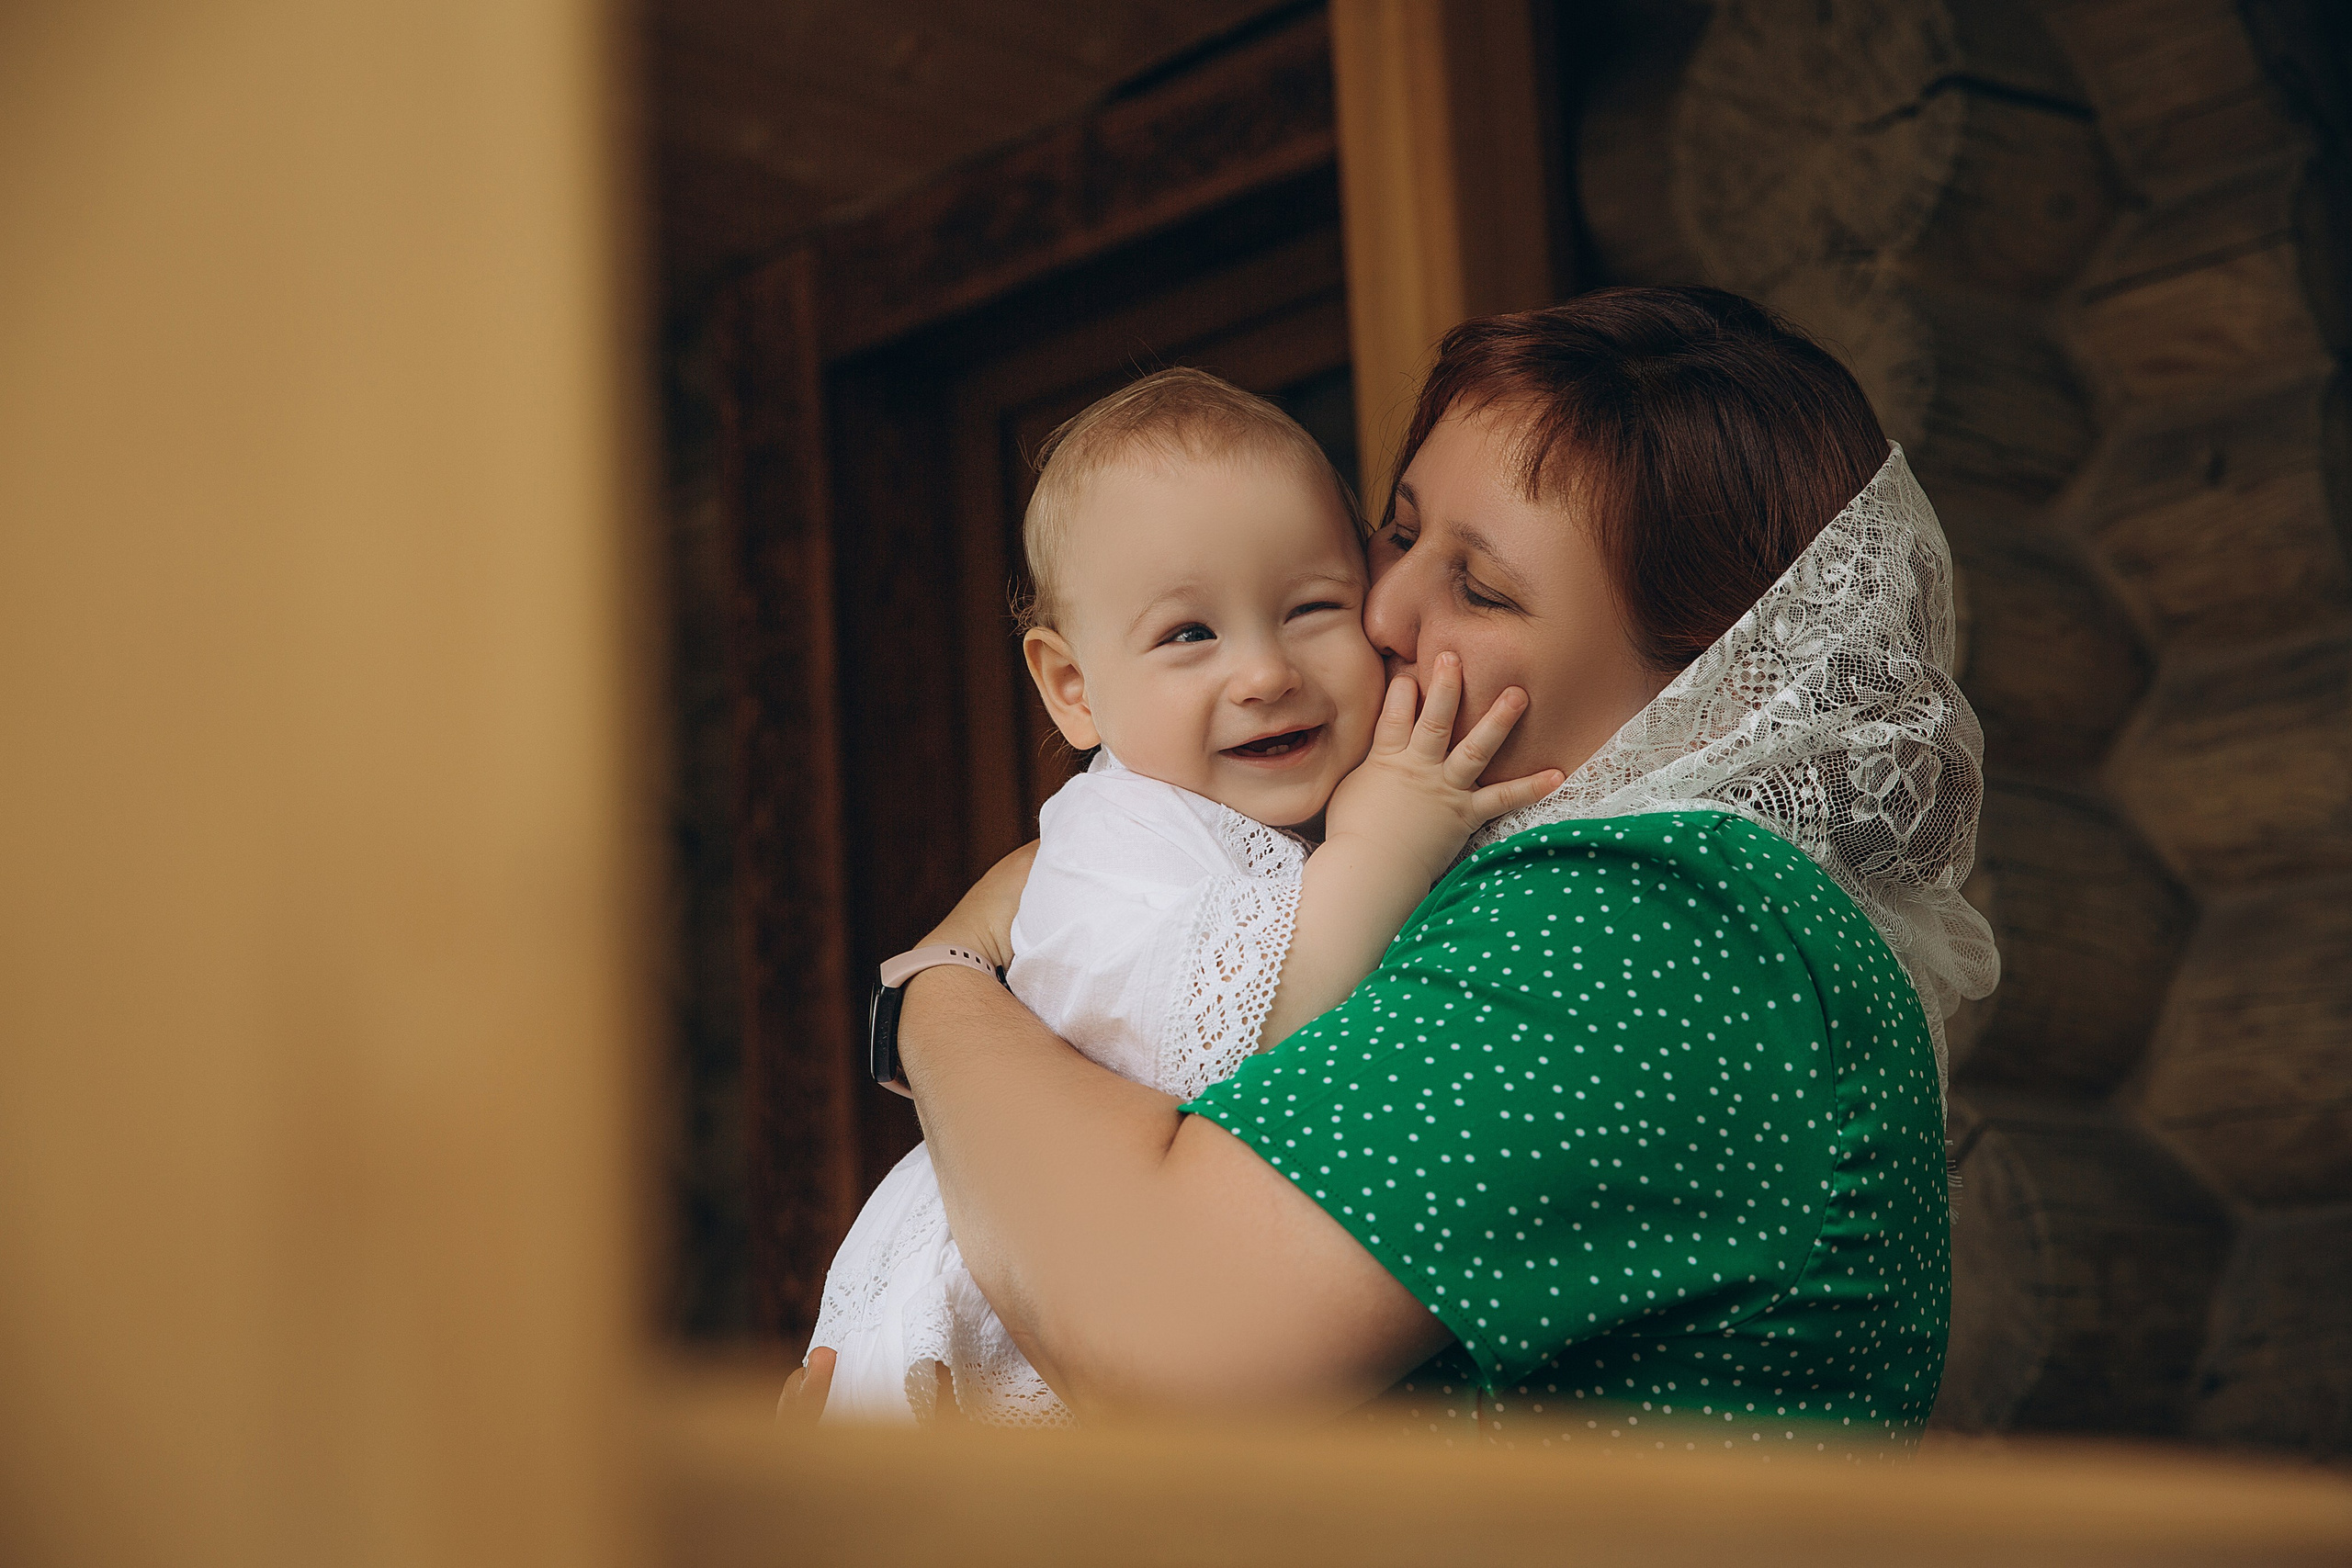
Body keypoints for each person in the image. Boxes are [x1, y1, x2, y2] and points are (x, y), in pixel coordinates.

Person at [788, 287, 1999, 1451]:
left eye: (1480, 587)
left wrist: (936, 989)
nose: (1379, 610)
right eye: (1400, 530)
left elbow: (1167, 1338)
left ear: (1703, 678)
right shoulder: (1532, 897)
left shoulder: (1661, 914)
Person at [803, 368, 1560, 1424]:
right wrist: (1383, 848)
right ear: (1072, 689)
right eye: (1188, 635)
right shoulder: (1119, 843)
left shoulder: (1261, 825)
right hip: (1002, 1336)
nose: (1262, 672)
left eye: (1310, 609)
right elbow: (1256, 1054)